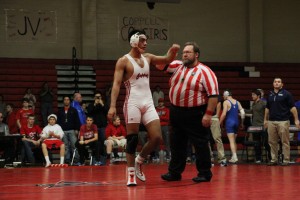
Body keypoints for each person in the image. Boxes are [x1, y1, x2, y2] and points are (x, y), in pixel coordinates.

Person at [107, 29, 180, 186]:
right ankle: (131, 174)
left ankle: (139, 161)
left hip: (148, 103)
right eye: (142, 40)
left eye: (146, 40)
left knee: (157, 138)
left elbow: (167, 59)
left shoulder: (148, 57)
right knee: (132, 140)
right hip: (132, 102)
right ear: (133, 41)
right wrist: (112, 107)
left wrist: (173, 51)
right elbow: (116, 84)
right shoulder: (123, 61)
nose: (145, 43)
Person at [160, 42, 218, 184]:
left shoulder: (205, 72)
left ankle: (204, 173)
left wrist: (208, 114)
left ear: (196, 55)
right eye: (183, 52)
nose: (184, 54)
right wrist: (172, 51)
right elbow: (160, 65)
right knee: (176, 143)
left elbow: (214, 95)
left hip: (195, 113)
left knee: (200, 144)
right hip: (176, 111)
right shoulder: (177, 65)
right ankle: (174, 172)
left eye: (188, 52)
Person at [264, 78, 300, 166]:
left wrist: (296, 119)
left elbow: (293, 108)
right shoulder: (270, 95)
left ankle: (286, 160)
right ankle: (274, 159)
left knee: (285, 141)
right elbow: (267, 108)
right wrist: (265, 120)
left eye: (279, 82)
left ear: (282, 84)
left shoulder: (287, 94)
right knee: (272, 142)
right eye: (275, 82)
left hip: (283, 121)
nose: (277, 83)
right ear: (273, 84)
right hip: (271, 122)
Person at [219, 90, 245, 164]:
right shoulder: (237, 102)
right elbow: (242, 113)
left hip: (229, 122)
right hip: (236, 122)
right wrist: (242, 123)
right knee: (234, 141)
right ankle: (234, 156)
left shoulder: (226, 102)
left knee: (231, 141)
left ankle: (235, 157)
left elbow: (224, 114)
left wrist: (219, 123)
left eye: (223, 96)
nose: (223, 97)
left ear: (226, 95)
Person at [246, 89, 271, 163]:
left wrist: (267, 122)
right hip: (255, 126)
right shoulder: (253, 104)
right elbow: (251, 111)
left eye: (253, 95)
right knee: (257, 143)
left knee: (266, 143)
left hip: (263, 126)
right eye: (252, 95)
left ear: (258, 96)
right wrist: (241, 109)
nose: (252, 96)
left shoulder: (264, 103)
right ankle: (258, 158)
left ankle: (271, 157)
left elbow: (268, 112)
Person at [57, 95, 81, 164]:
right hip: (63, 131)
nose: (66, 101)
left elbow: (77, 120)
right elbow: (58, 121)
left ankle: (76, 159)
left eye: (67, 100)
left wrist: (77, 129)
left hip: (72, 130)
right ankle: (67, 159)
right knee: (65, 146)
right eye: (65, 99)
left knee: (74, 145)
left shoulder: (74, 110)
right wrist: (59, 131)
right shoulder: (60, 111)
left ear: (69, 101)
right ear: (63, 101)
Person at [87, 91, 108, 163]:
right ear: (94, 98)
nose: (98, 98)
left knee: (103, 142)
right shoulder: (91, 105)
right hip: (94, 128)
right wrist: (95, 104)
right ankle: (95, 158)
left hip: (102, 127)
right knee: (95, 143)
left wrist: (102, 104)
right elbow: (89, 112)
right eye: (97, 97)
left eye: (99, 97)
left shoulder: (104, 105)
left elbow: (107, 112)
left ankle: (103, 158)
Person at [209, 96, 227, 166]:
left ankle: (222, 159)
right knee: (206, 139)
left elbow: (219, 103)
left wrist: (216, 116)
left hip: (213, 117)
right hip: (205, 117)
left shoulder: (214, 93)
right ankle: (209, 159)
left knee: (217, 138)